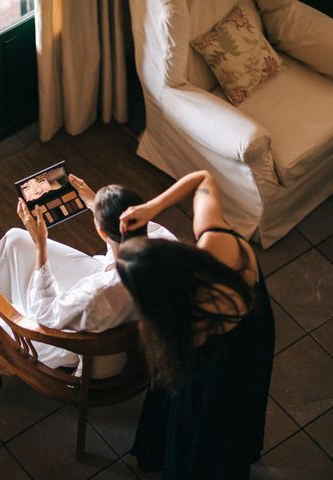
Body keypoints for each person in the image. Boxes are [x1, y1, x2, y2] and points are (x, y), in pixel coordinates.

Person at [0, 174, 176, 378]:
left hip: (90, 347)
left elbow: (45, 314)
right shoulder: (165, 244)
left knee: (29, 260)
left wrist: (41, 246)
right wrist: (96, 204)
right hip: (112, 297)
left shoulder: (96, 295)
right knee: (17, 239)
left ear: (101, 232)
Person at [116, 170, 275, 479]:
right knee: (243, 404)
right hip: (256, 331)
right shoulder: (215, 239)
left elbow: (178, 363)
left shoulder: (190, 321)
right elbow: (203, 178)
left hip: (218, 363)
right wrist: (150, 208)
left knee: (201, 425)